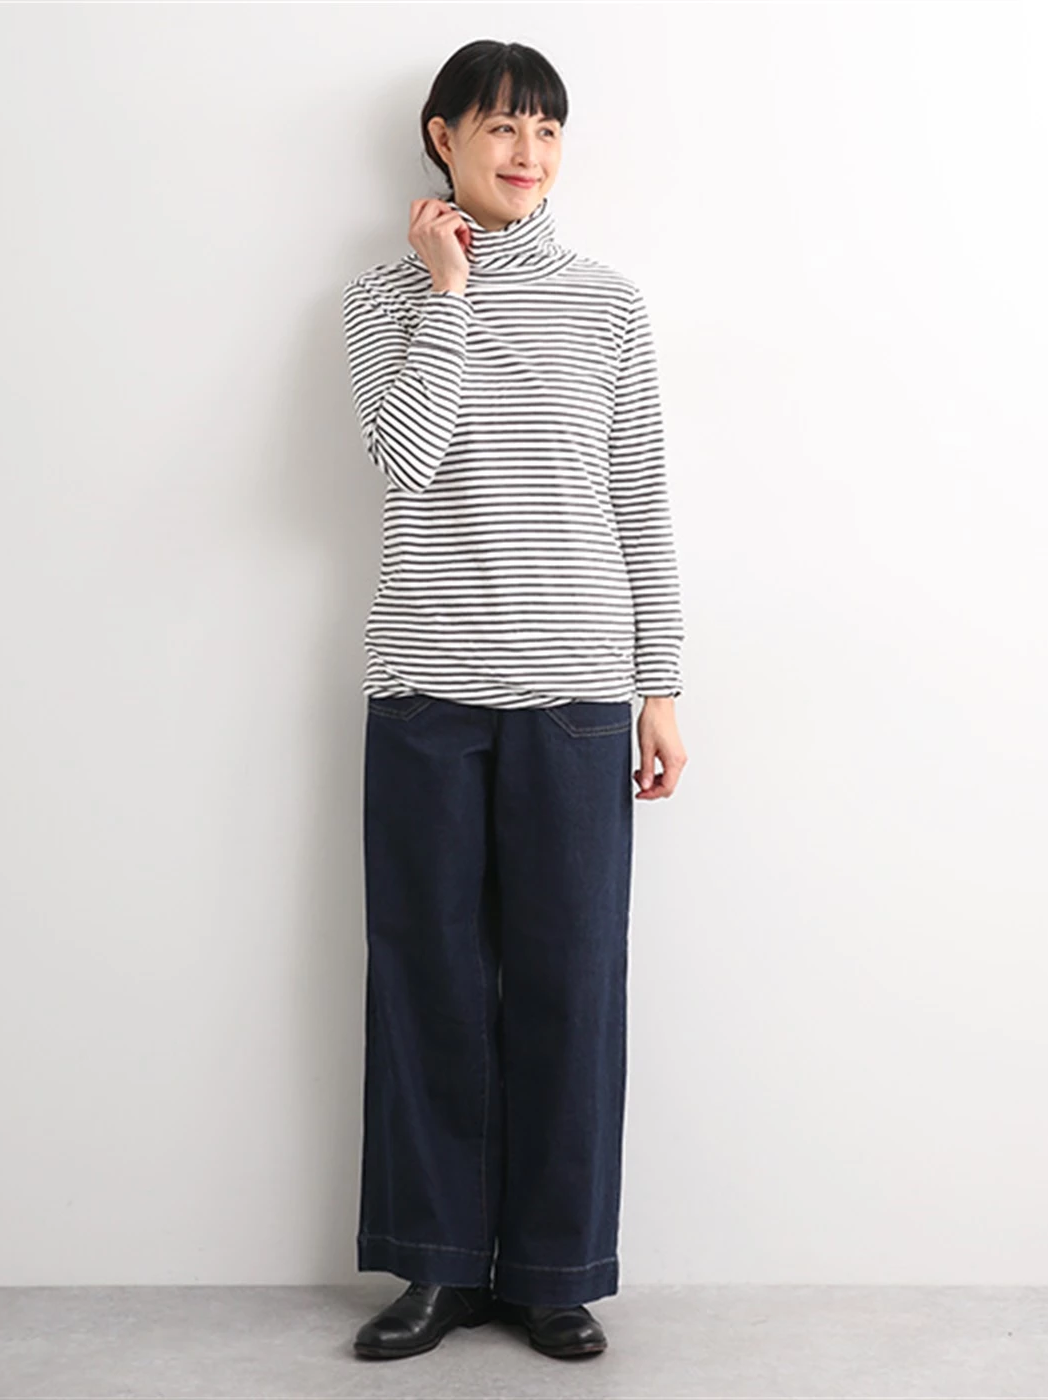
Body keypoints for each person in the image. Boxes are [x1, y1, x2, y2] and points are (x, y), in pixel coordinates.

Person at [340, 39, 687, 1363]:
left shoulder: (608, 305)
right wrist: (448, 294)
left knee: (570, 981)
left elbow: (640, 500)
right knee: (424, 977)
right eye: (499, 127)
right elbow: (406, 463)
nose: (526, 153)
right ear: (444, 137)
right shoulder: (381, 301)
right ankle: (435, 1268)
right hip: (426, 685)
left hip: (579, 693)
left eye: (545, 129)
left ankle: (553, 1270)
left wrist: (661, 685)